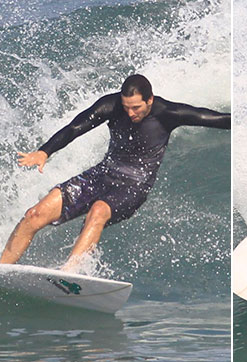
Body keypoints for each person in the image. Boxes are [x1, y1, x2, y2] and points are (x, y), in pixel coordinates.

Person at [0, 74, 230, 271]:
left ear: (150, 100)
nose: (130, 113)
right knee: (34, 215)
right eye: (126, 106)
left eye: (136, 107)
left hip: (134, 185)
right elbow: (75, 127)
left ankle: (70, 274)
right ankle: (3, 269)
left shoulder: (168, 113)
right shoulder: (111, 106)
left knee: (98, 211)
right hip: (102, 174)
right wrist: (45, 152)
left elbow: (213, 118)